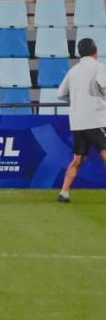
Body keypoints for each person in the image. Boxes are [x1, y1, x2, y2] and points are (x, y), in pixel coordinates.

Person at [55, 37, 106, 203]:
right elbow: (103, 84)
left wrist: (77, 100)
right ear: (95, 52)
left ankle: (64, 193)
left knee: (77, 159)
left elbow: (60, 94)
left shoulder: (73, 71)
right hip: (96, 119)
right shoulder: (99, 67)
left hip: (77, 122)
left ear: (80, 53)